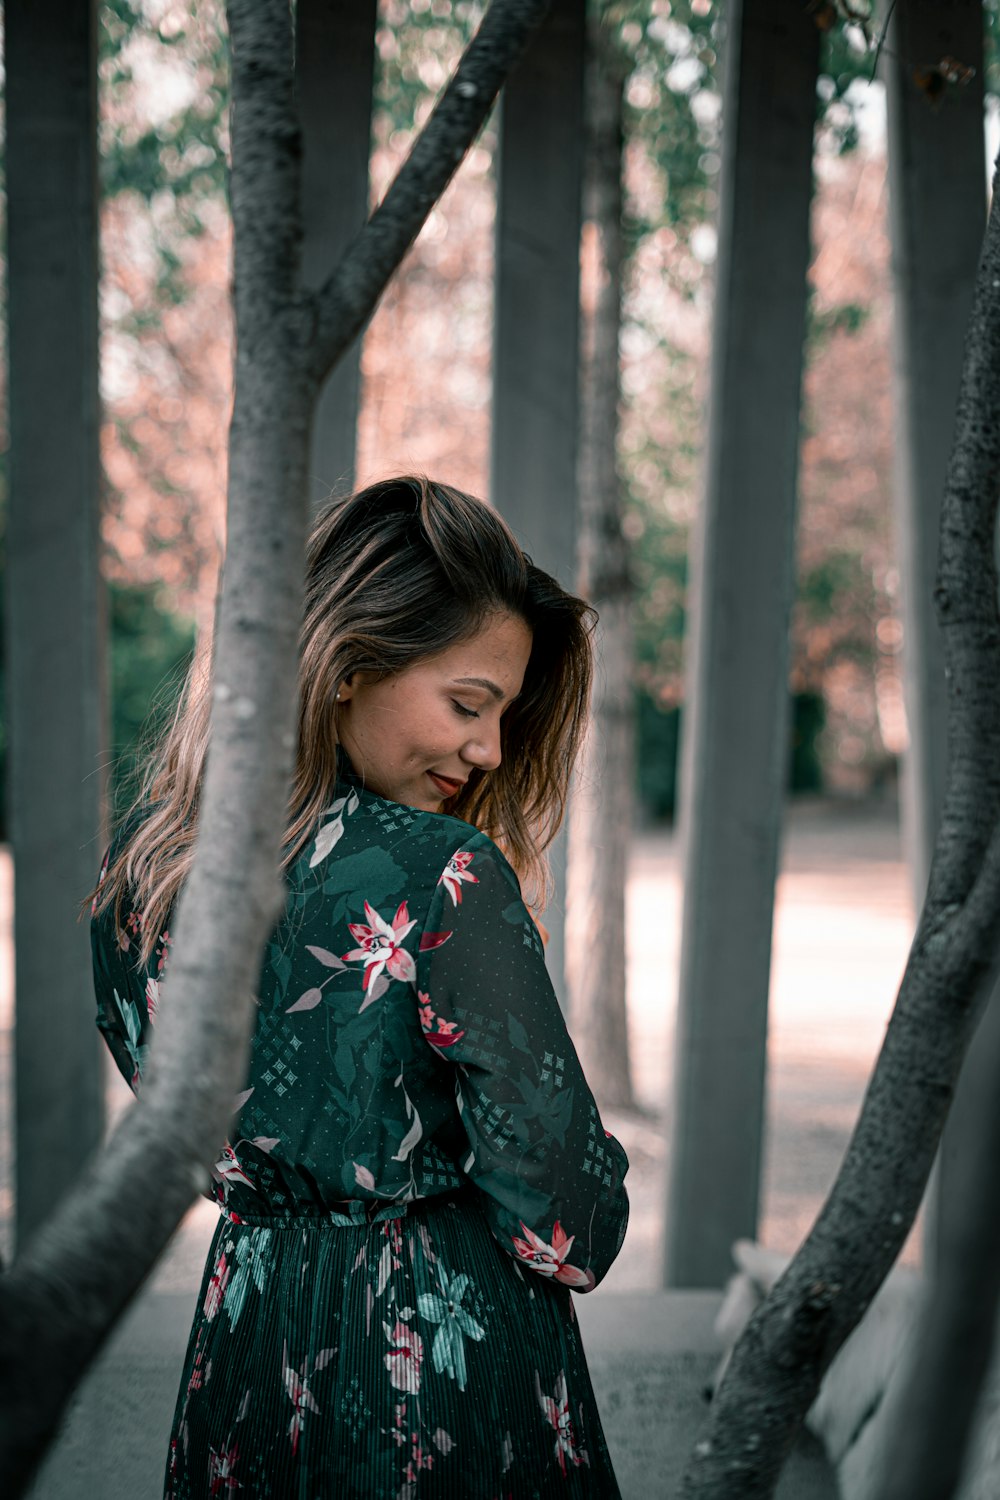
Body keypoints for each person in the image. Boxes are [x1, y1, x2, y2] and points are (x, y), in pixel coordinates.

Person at [91, 475, 630, 1499]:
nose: (490, 750)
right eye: (469, 704)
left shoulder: (140, 877)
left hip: (244, 1339)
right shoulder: (443, 874)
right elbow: (567, 1227)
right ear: (346, 663)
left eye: (505, 716)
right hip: (440, 1354)